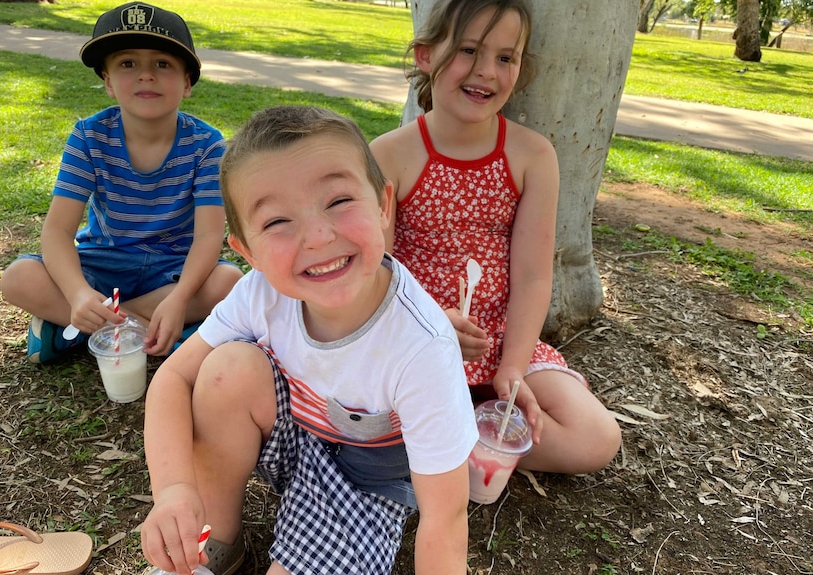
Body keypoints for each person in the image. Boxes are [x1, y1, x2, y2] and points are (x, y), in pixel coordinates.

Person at [139, 106, 478, 575]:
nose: (318, 236)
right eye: (277, 221)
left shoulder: (421, 345)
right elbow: (174, 377)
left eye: (338, 201)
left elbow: (445, 517)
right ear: (247, 252)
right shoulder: (259, 290)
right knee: (225, 369)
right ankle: (214, 544)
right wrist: (174, 489)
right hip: (296, 433)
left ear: (383, 205)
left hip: (364, 478)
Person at [370, 0, 621, 475]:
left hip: (502, 343)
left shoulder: (532, 156)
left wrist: (510, 368)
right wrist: (433, 325)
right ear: (425, 55)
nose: (487, 72)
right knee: (359, 414)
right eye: (469, 50)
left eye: (505, 57)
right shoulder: (389, 155)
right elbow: (374, 276)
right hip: (413, 338)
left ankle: (444, 444)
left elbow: (531, 278)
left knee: (596, 438)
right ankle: (460, 445)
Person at [0, 2, 242, 363]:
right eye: (128, 64)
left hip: (171, 270)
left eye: (163, 64)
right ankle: (145, 328)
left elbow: (209, 236)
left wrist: (177, 299)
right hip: (103, 264)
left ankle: (73, 330)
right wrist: (79, 293)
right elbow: (57, 232)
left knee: (229, 283)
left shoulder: (207, 145)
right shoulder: (88, 136)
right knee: (18, 277)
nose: (146, 75)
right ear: (108, 82)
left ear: (187, 82)